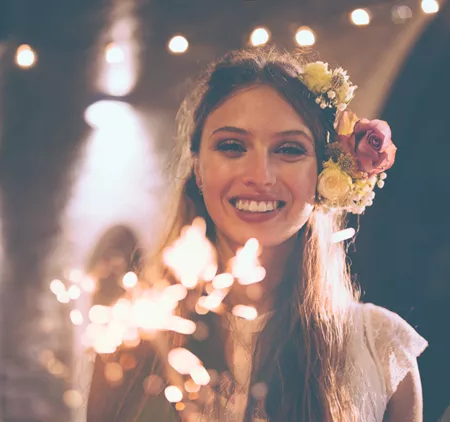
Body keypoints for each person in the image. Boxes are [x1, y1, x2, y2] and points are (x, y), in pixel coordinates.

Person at [86, 47, 427, 422]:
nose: (260, 175)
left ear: (323, 174)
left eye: (289, 149)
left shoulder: (381, 348)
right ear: (198, 167)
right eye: (232, 146)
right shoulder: (134, 341)